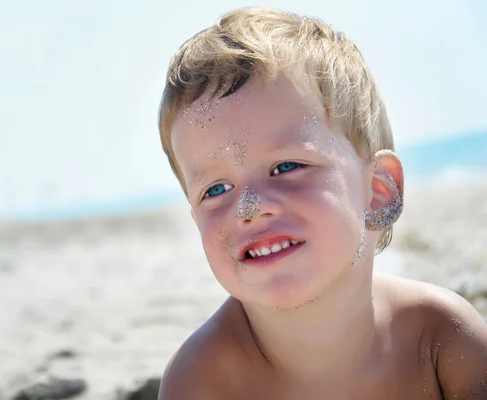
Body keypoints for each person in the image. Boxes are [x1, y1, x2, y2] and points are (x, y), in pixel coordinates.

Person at [155, 7, 487, 399]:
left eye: (287, 166)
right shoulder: (203, 380)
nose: (250, 206)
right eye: (215, 190)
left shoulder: (439, 337)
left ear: (379, 189)